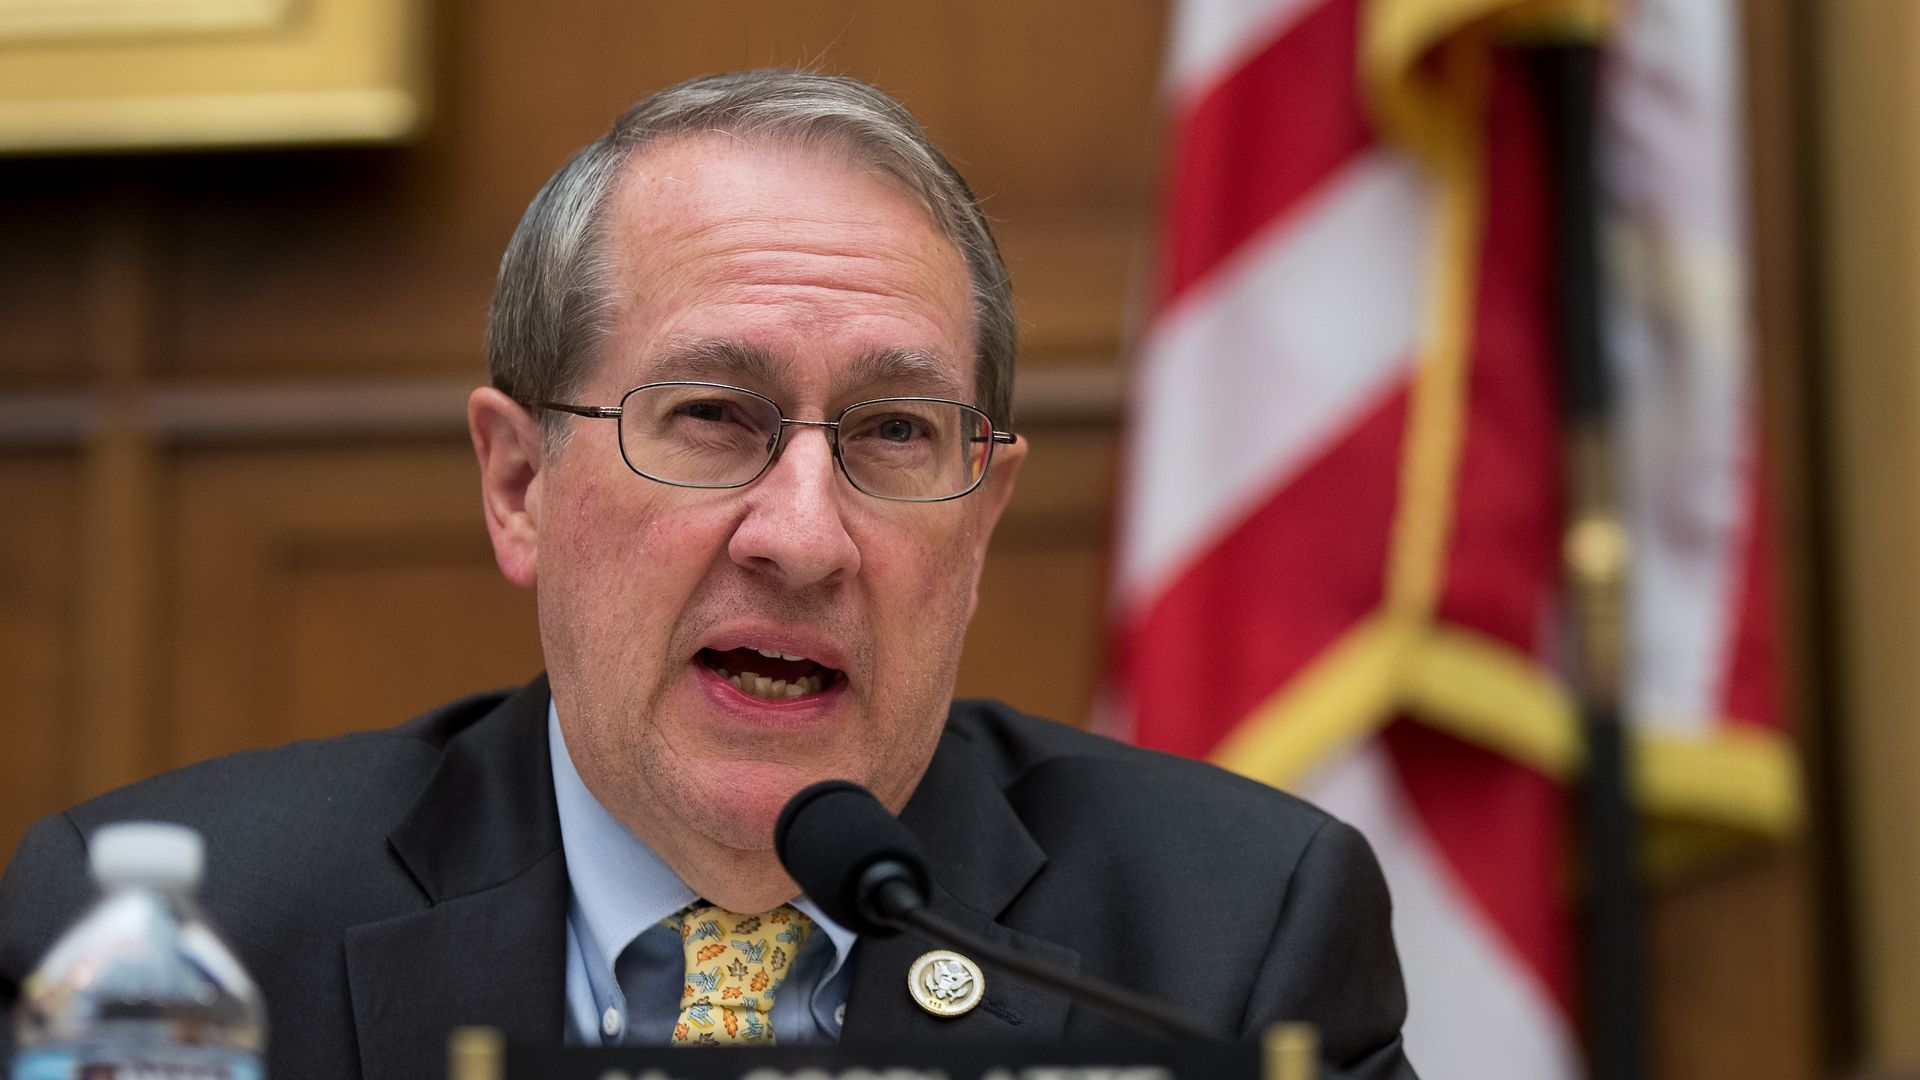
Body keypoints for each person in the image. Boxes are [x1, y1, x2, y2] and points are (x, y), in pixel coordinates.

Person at [0, 71, 1417, 1078]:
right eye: (713, 419)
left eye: (896, 434)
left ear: (980, 526)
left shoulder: (1230, 941)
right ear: (519, 486)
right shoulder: (182, 951)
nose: (800, 535)